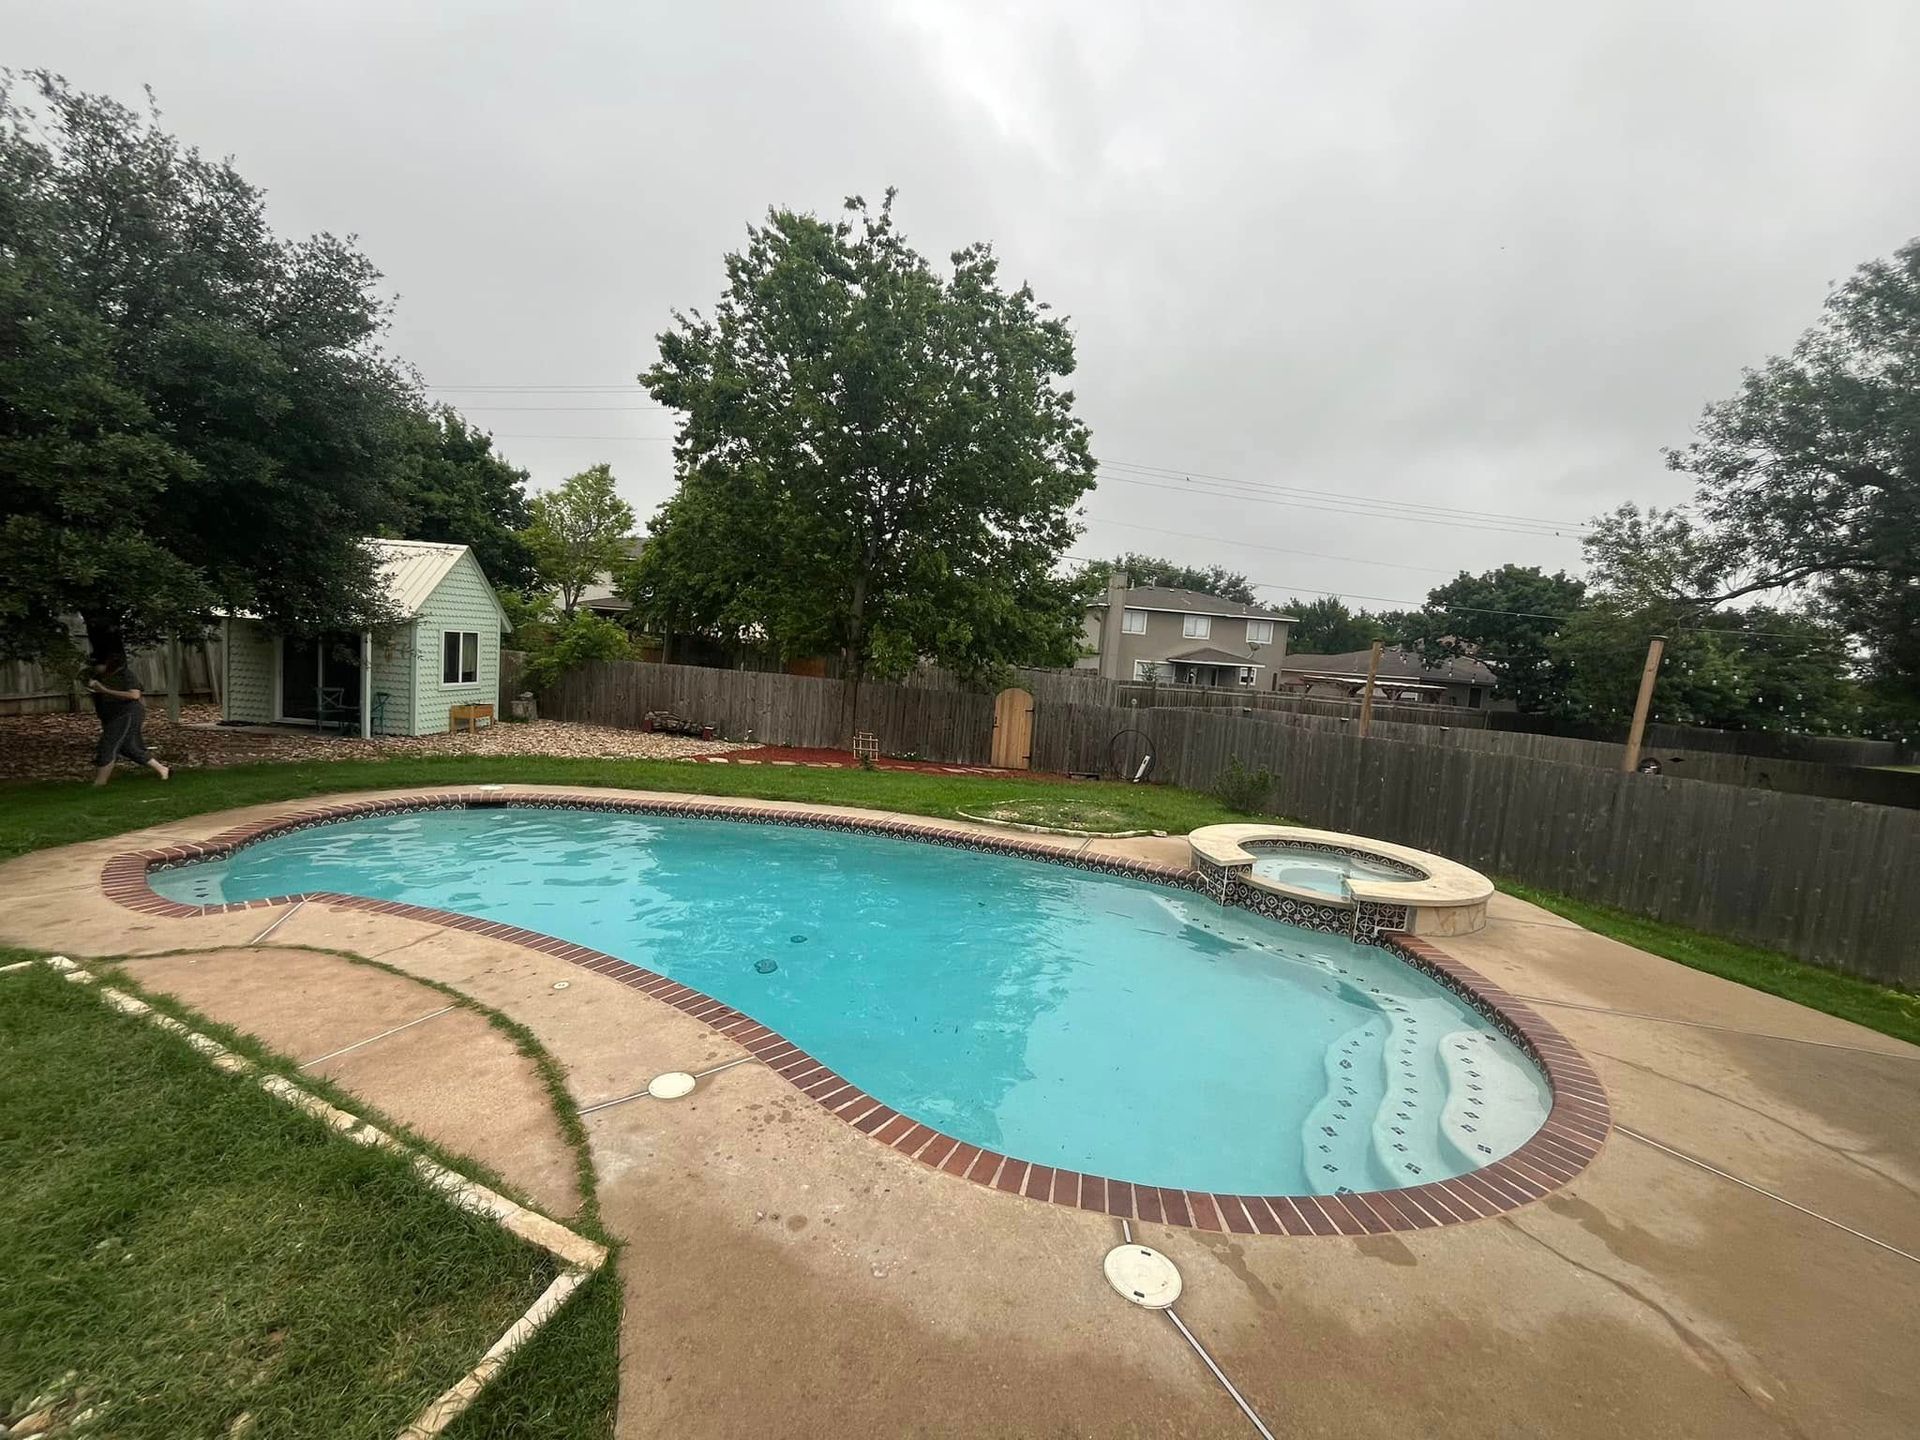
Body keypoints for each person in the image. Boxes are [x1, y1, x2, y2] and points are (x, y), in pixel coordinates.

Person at [85, 650, 170, 786]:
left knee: (108, 744)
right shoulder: (100, 677)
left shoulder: (125, 675)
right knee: (128, 747)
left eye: (97, 664)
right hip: (112, 715)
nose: (95, 667)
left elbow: (134, 695)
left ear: (107, 663)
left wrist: (104, 690)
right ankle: (162, 769)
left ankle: (100, 783)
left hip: (128, 713)